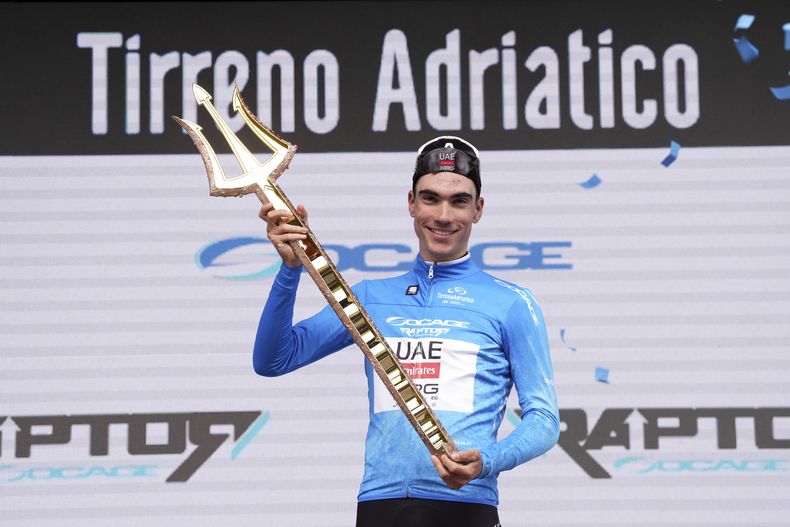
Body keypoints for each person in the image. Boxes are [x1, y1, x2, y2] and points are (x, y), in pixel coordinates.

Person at [253, 136, 559, 527]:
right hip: (381, 504)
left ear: (478, 209)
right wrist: (290, 269)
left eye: (459, 201)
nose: (443, 216)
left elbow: (544, 419)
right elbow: (273, 359)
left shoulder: (511, 302)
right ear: (411, 203)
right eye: (430, 199)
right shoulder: (369, 298)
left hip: (466, 505)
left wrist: (488, 461)